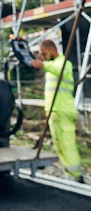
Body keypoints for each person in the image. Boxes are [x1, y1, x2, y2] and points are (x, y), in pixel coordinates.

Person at [30, 39, 83, 182]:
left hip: (63, 111)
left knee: (67, 144)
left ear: (52, 50)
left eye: (44, 53)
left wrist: (42, 65)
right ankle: (68, 172)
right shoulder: (52, 65)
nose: (43, 57)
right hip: (54, 112)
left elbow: (56, 69)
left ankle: (75, 175)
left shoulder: (64, 63)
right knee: (60, 145)